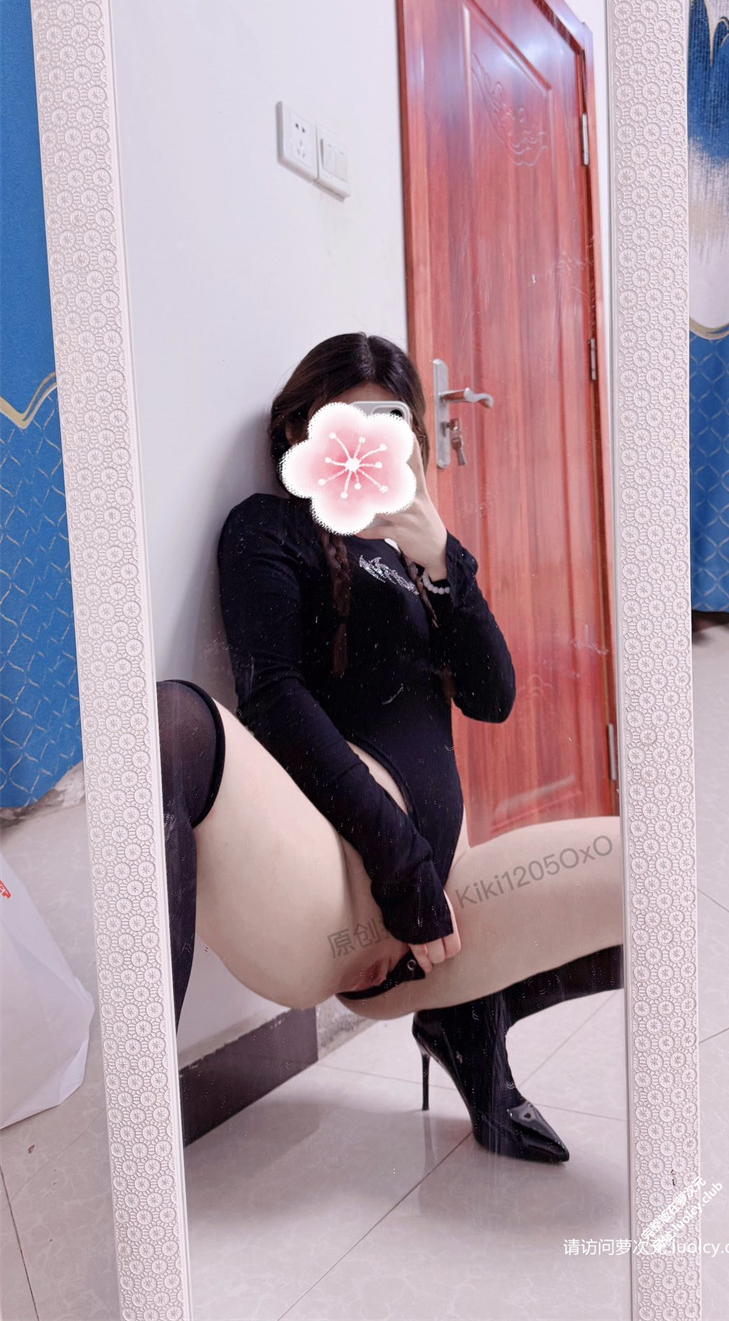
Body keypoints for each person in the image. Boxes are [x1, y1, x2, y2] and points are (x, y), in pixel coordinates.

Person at [158, 332, 624, 1163]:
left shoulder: (418, 554)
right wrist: (403, 866)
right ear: (300, 427)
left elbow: (493, 697)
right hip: (338, 894)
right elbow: (273, 699)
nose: (370, 445)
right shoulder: (270, 526)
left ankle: (466, 1021)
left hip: (442, 916)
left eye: (392, 423)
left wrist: (443, 562)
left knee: (656, 865)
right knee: (172, 725)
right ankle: (142, 1113)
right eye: (352, 421)